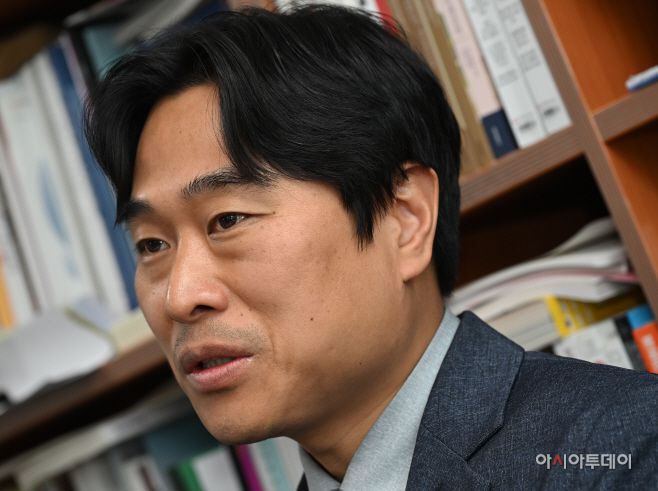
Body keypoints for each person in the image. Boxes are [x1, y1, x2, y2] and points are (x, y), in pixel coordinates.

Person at [84, 5, 658, 490]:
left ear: (406, 220)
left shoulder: (627, 452)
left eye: (227, 220)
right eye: (151, 244)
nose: (180, 296)